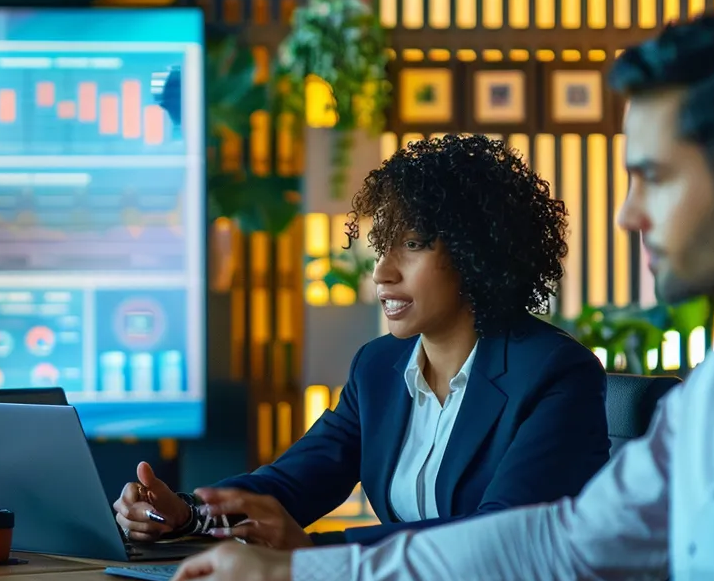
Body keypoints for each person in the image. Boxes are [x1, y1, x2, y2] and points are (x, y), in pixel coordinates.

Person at [154, 13, 714, 581]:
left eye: (652, 178)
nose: (627, 214)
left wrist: (303, 565)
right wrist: (293, 573)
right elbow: (566, 550)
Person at [116, 134, 608, 551]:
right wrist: (185, 513)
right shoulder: (379, 367)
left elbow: (502, 539)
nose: (381, 272)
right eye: (381, 246)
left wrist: (316, 552)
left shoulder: (554, 372)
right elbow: (290, 485)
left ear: (477, 253)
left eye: (412, 246)